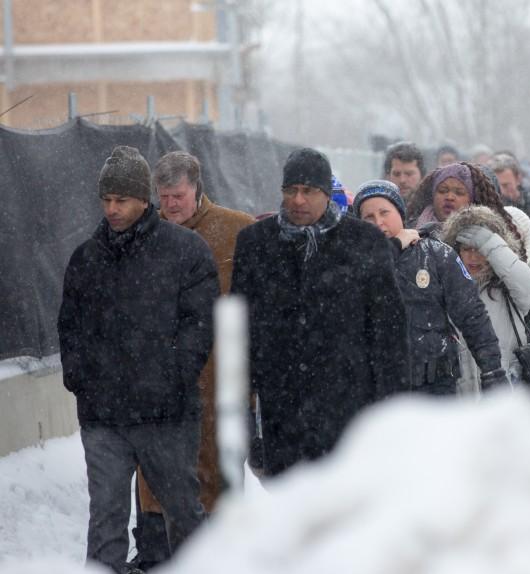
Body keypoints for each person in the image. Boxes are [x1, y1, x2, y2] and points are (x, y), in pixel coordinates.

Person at [58, 146, 218, 574]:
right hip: (104, 415)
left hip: (166, 415)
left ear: (144, 199)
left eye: (121, 199)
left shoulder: (185, 251)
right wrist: (80, 377)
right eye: (106, 200)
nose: (112, 209)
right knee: (106, 519)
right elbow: (70, 327)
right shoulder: (86, 259)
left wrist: (171, 379)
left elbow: (199, 326)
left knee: (183, 512)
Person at [230, 148, 410, 477]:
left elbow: (388, 329)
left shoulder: (363, 243)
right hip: (282, 404)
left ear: (327, 194)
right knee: (293, 509)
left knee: (348, 508)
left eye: (308, 191)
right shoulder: (256, 244)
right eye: (291, 190)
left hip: (350, 402)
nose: (298, 200)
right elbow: (241, 328)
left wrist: (390, 406)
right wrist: (244, 403)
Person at [128, 151, 255, 571]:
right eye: (163, 197)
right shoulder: (142, 235)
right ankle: (158, 556)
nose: (170, 206)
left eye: (177, 196)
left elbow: (257, 307)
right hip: (160, 382)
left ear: (196, 188)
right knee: (157, 477)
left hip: (222, 378)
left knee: (216, 476)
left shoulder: (236, 231)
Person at [353, 180, 507, 396]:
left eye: (384, 212)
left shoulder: (436, 254)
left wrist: (492, 370)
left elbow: (472, 315)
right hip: (377, 388)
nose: (378, 222)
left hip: (434, 385)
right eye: (369, 217)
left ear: (399, 212)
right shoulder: (353, 263)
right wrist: (393, 247)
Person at [441, 205, 530, 394]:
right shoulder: (445, 285)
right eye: (467, 249)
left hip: (505, 387)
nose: (474, 257)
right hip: (458, 394)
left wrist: (492, 245)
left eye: (480, 249)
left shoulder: (506, 283)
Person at [404, 162, 525, 248]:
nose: (449, 197)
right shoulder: (409, 231)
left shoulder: (488, 237)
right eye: (442, 190)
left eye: (459, 192)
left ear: (472, 199)